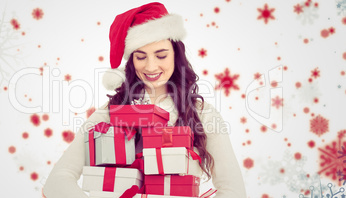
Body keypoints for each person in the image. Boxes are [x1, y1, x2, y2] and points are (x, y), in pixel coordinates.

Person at [43, 2, 246, 198]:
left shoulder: (203, 113)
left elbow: (234, 191)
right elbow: (57, 181)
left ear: (176, 55)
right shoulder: (112, 111)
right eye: (141, 57)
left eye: (161, 55)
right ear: (131, 61)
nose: (150, 67)